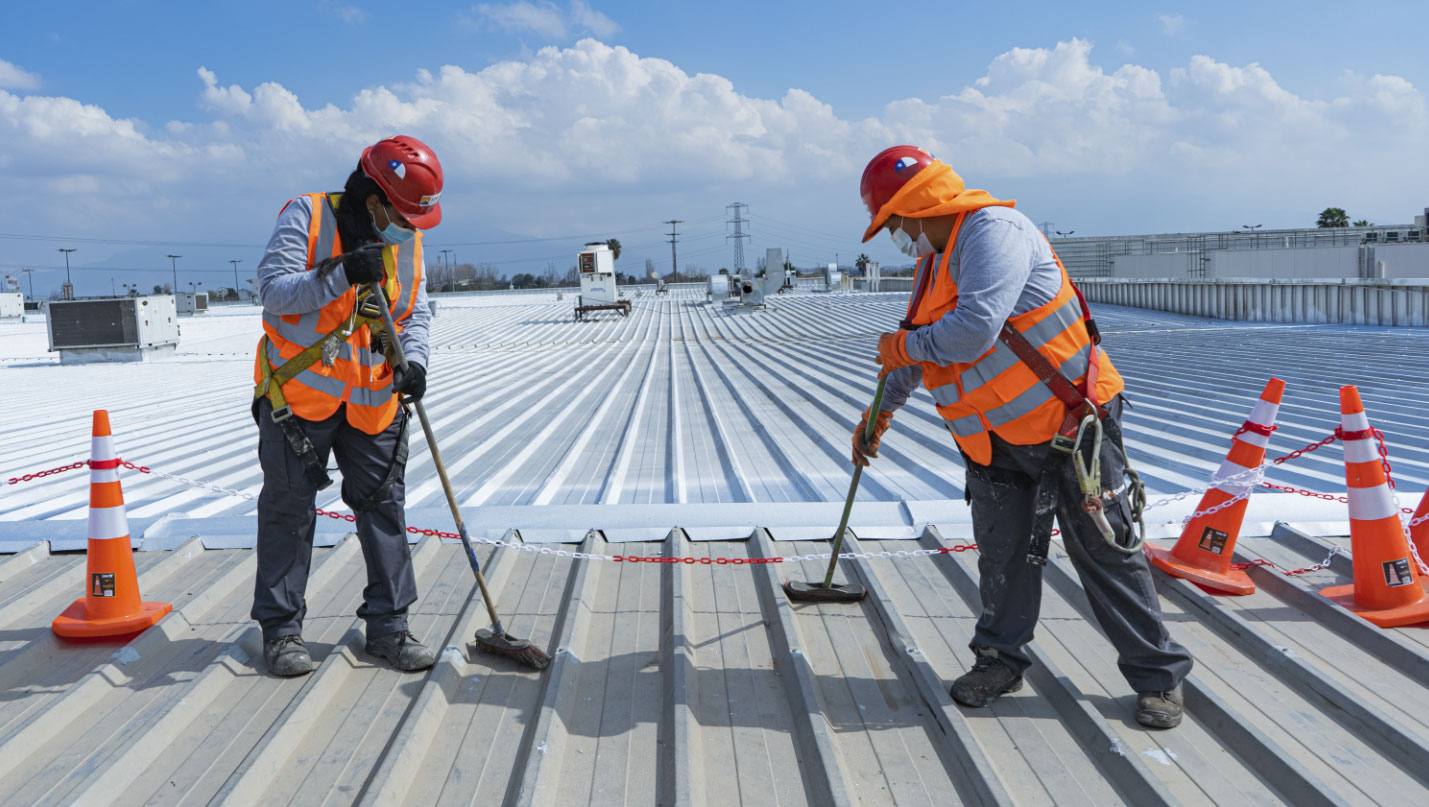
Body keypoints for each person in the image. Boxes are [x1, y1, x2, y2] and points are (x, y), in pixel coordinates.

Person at [853, 146, 1193, 729]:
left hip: (1072, 425)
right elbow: (915, 351)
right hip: (994, 438)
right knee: (1002, 554)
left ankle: (1157, 677)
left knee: (1105, 552)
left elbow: (967, 335)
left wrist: (901, 346)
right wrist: (878, 414)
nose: (897, 238)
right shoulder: (932, 264)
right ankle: (999, 661)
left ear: (914, 209)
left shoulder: (995, 233)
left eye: (893, 225)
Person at [250, 135, 441, 677]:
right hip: (299, 399)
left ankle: (390, 627)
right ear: (372, 196)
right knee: (289, 512)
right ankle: (282, 633)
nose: (406, 228)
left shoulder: (408, 241)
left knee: (384, 510)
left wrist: (416, 363)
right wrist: (338, 274)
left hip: (375, 401)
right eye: (400, 213)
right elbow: (274, 292)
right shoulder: (307, 215)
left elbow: (414, 316)